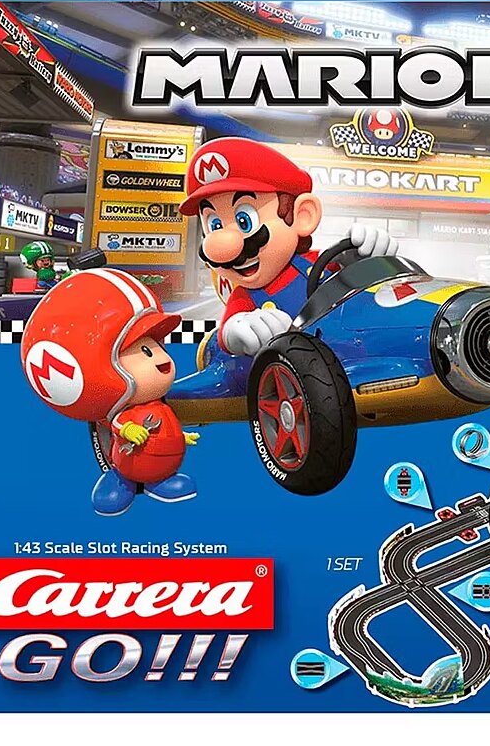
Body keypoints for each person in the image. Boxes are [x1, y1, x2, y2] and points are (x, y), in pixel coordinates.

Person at [170, 138, 397, 406]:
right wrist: (236, 331)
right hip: (301, 384)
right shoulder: (246, 297)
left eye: (244, 220)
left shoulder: (321, 263)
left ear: (303, 215)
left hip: (353, 357)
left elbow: (359, 283)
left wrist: (365, 257)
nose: (223, 247)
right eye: (214, 225)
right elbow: (229, 328)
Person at [21, 267, 199, 516]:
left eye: (156, 345)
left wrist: (178, 436)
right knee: (123, 470)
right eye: (145, 351)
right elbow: (118, 423)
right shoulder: (114, 407)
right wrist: (128, 429)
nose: (163, 360)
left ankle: (158, 481)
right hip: (126, 458)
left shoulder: (156, 402)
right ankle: (120, 479)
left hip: (162, 466)